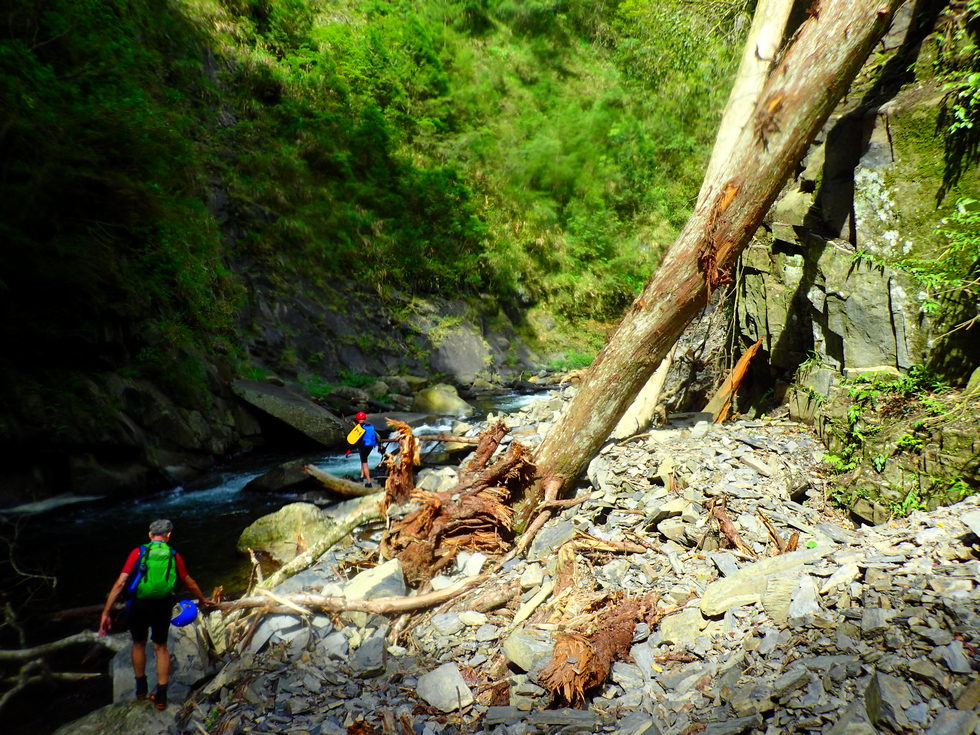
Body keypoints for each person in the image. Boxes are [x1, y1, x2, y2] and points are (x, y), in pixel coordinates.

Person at [98, 519, 211, 710]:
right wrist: (202, 599)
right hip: (162, 605)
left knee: (138, 643)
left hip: (138, 605)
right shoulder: (173, 555)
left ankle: (141, 690)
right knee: (161, 648)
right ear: (169, 535)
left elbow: (120, 583)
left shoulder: (138, 552)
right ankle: (161, 697)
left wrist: (106, 613)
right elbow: (188, 581)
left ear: (150, 535)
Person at [346, 410, 384, 487]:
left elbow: (355, 440)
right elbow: (378, 437)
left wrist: (350, 450)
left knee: (364, 462)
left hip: (363, 446)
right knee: (363, 458)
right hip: (371, 446)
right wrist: (379, 446)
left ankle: (369, 482)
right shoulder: (370, 426)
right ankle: (362, 476)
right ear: (364, 418)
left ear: (357, 419)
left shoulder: (359, 428)